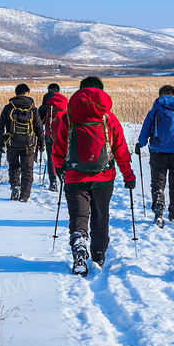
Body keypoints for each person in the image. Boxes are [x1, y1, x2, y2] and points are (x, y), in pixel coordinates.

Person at [51, 76, 136, 276]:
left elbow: (59, 147)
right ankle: (98, 255)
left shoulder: (68, 117)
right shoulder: (109, 118)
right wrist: (128, 175)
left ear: (80, 91)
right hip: (104, 176)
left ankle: (80, 245)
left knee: (79, 216)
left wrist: (58, 168)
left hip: (74, 177)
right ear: (102, 92)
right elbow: (121, 149)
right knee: (100, 216)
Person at [136, 85, 174, 224]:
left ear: (160, 95)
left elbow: (145, 131)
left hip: (157, 153)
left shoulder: (153, 113)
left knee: (158, 182)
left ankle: (158, 208)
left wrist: (140, 144)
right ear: (173, 95)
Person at [0, 83, 45, 202]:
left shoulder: (9, 107)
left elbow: (0, 126)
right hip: (29, 144)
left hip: (12, 142)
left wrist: (1, 142)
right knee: (27, 169)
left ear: (16, 93)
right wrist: (41, 143)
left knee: (13, 167)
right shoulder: (33, 109)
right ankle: (25, 195)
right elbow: (39, 128)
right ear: (27, 93)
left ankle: (15, 186)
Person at [38, 83, 67, 192]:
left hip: (50, 136)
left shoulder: (46, 105)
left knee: (51, 159)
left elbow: (39, 123)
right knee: (63, 158)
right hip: (64, 137)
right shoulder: (66, 104)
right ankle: (63, 177)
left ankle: (53, 181)